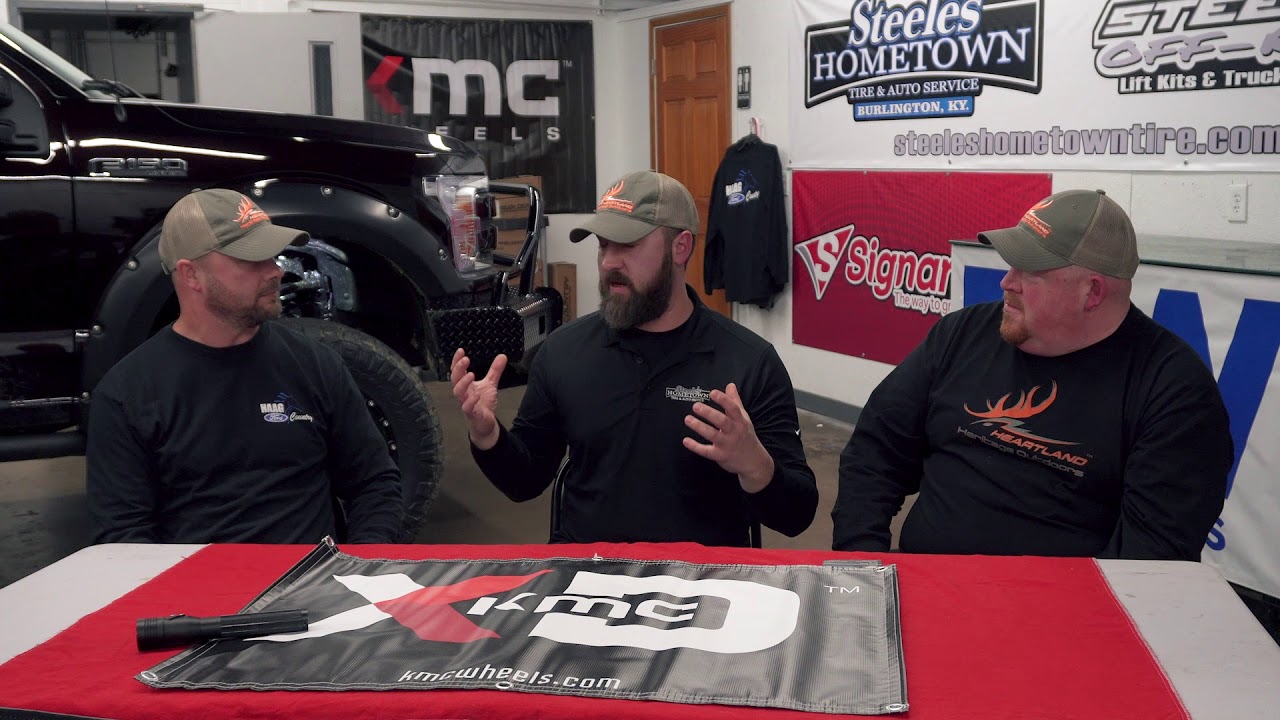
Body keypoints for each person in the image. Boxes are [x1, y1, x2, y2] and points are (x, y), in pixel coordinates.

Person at [832, 189, 1232, 561]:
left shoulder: (1173, 392)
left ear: (1092, 292)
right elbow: (875, 451)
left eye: (1029, 271)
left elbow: (1150, 559)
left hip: (1061, 608)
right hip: (927, 585)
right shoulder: (963, 333)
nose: (1007, 282)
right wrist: (861, 562)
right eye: (1011, 265)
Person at [452, 170, 817, 546]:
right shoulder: (563, 352)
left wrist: (756, 466)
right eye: (603, 246)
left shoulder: (749, 363)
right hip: (586, 571)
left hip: (701, 576)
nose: (608, 262)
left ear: (680, 247)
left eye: (626, 245)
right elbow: (525, 481)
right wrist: (487, 434)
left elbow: (797, 515)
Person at [86, 189, 402, 544]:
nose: (276, 271)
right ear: (191, 275)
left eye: (272, 255)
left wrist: (359, 565)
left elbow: (374, 483)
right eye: (252, 259)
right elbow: (124, 537)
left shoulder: (314, 365)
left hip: (316, 576)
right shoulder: (128, 395)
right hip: (200, 580)